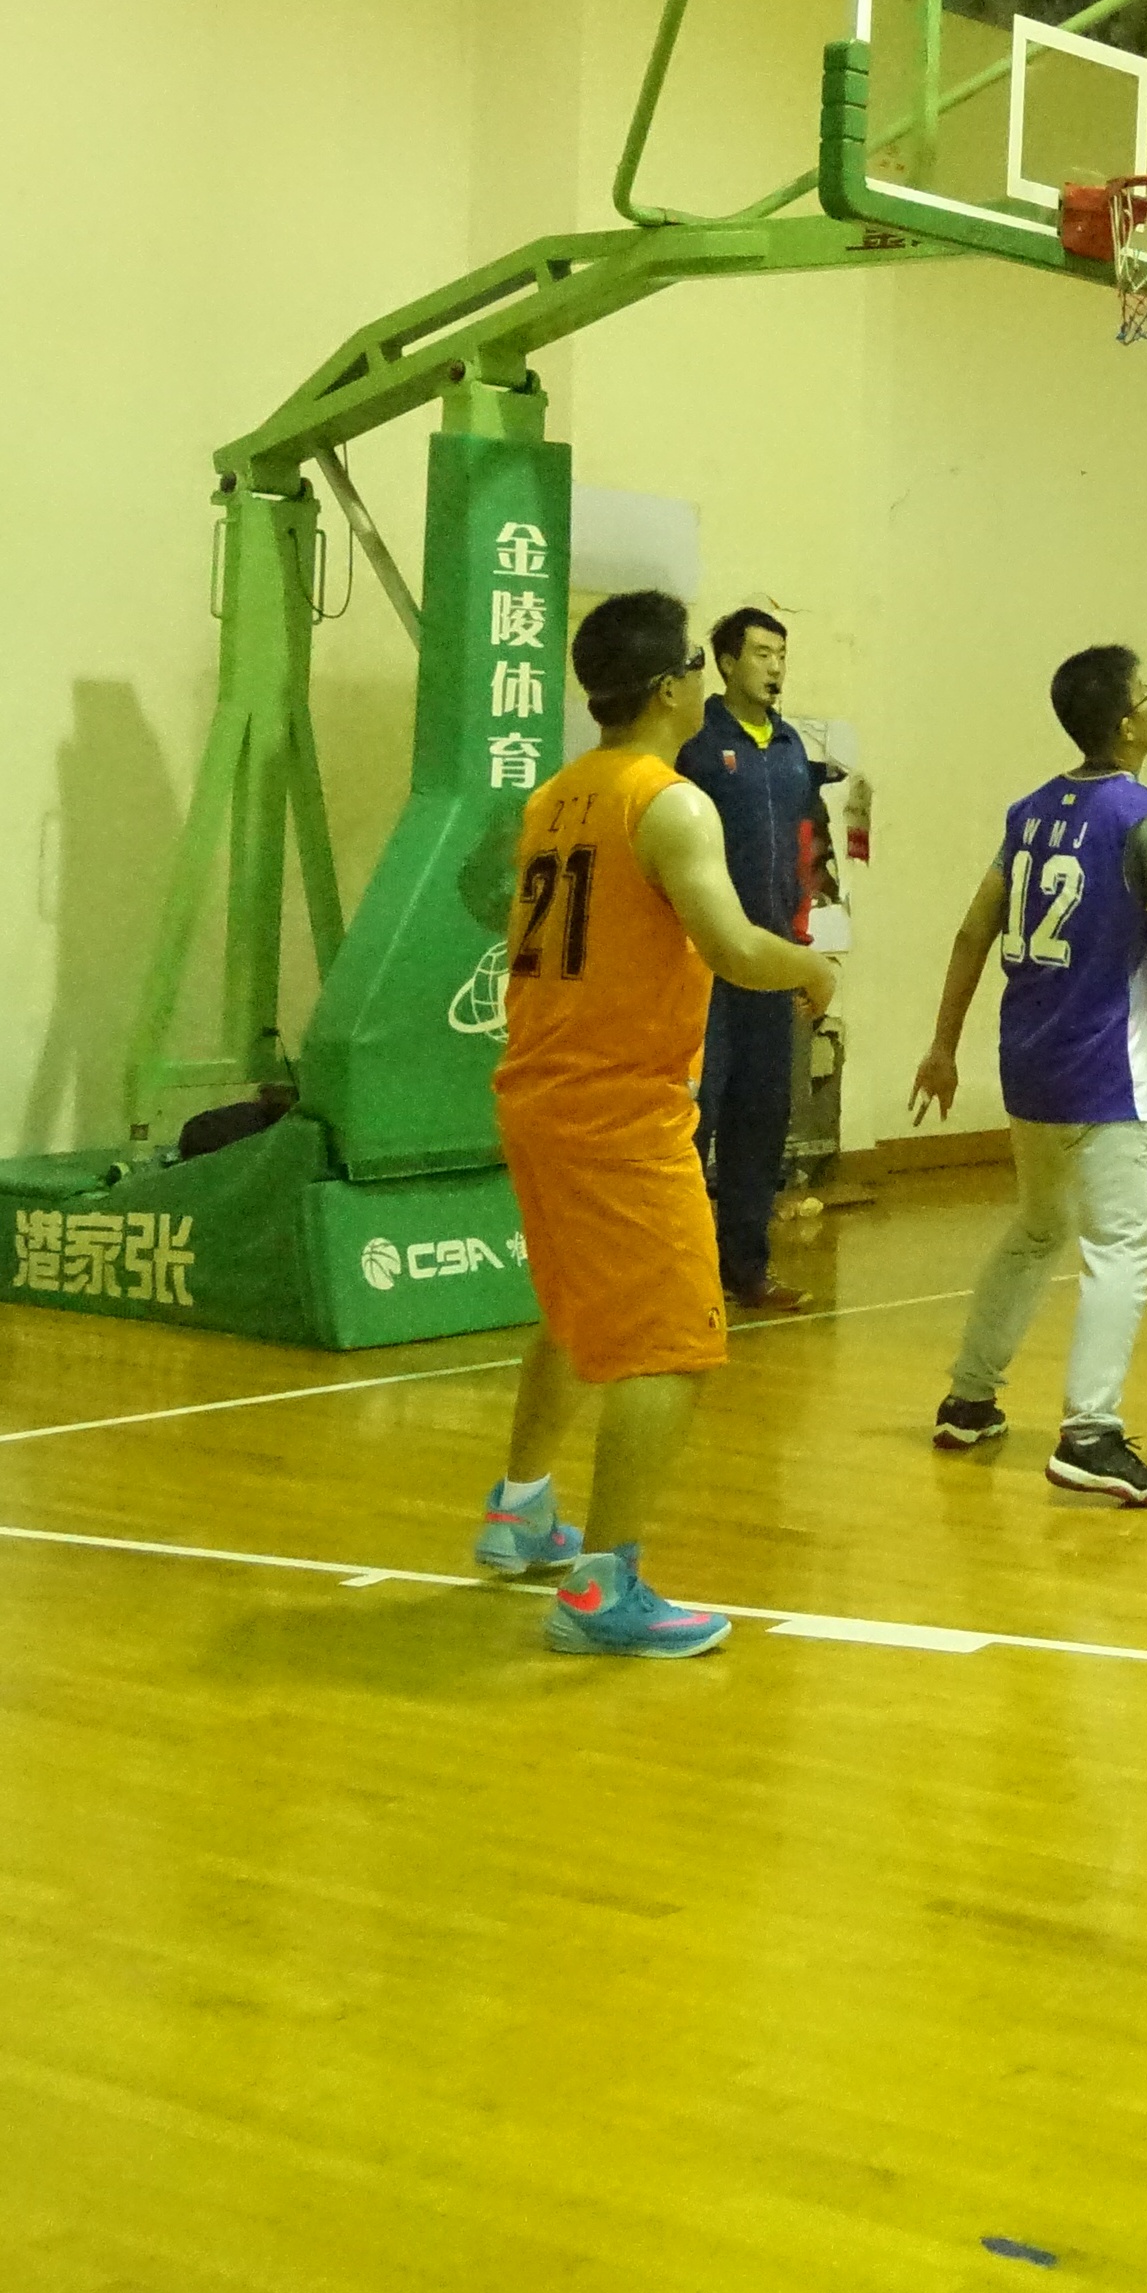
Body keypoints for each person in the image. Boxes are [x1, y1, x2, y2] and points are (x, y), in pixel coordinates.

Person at [472, 590, 842, 1659]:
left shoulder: (556, 797)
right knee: (674, 1343)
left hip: (538, 1093)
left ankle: (520, 1510)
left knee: (573, 1311)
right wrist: (811, 967)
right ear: (671, 685)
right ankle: (605, 1588)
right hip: (619, 1107)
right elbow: (732, 947)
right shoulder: (670, 803)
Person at [907, 645, 1147, 1505]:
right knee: (1122, 1246)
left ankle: (968, 1398)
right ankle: (1090, 1434)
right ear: (1128, 722)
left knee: (1038, 1227)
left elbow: (972, 931)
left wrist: (941, 1046)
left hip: (1027, 1058)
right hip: (1102, 1067)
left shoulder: (1029, 811)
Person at [686, 605, 830, 1316]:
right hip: (704, 966)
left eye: (781, 654)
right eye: (761, 653)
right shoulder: (696, 743)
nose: (775, 667)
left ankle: (746, 1270)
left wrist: (802, 953)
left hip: (771, 965)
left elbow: (808, 852)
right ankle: (679, 1277)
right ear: (727, 662)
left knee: (762, 1117)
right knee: (695, 1120)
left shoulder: (793, 747)